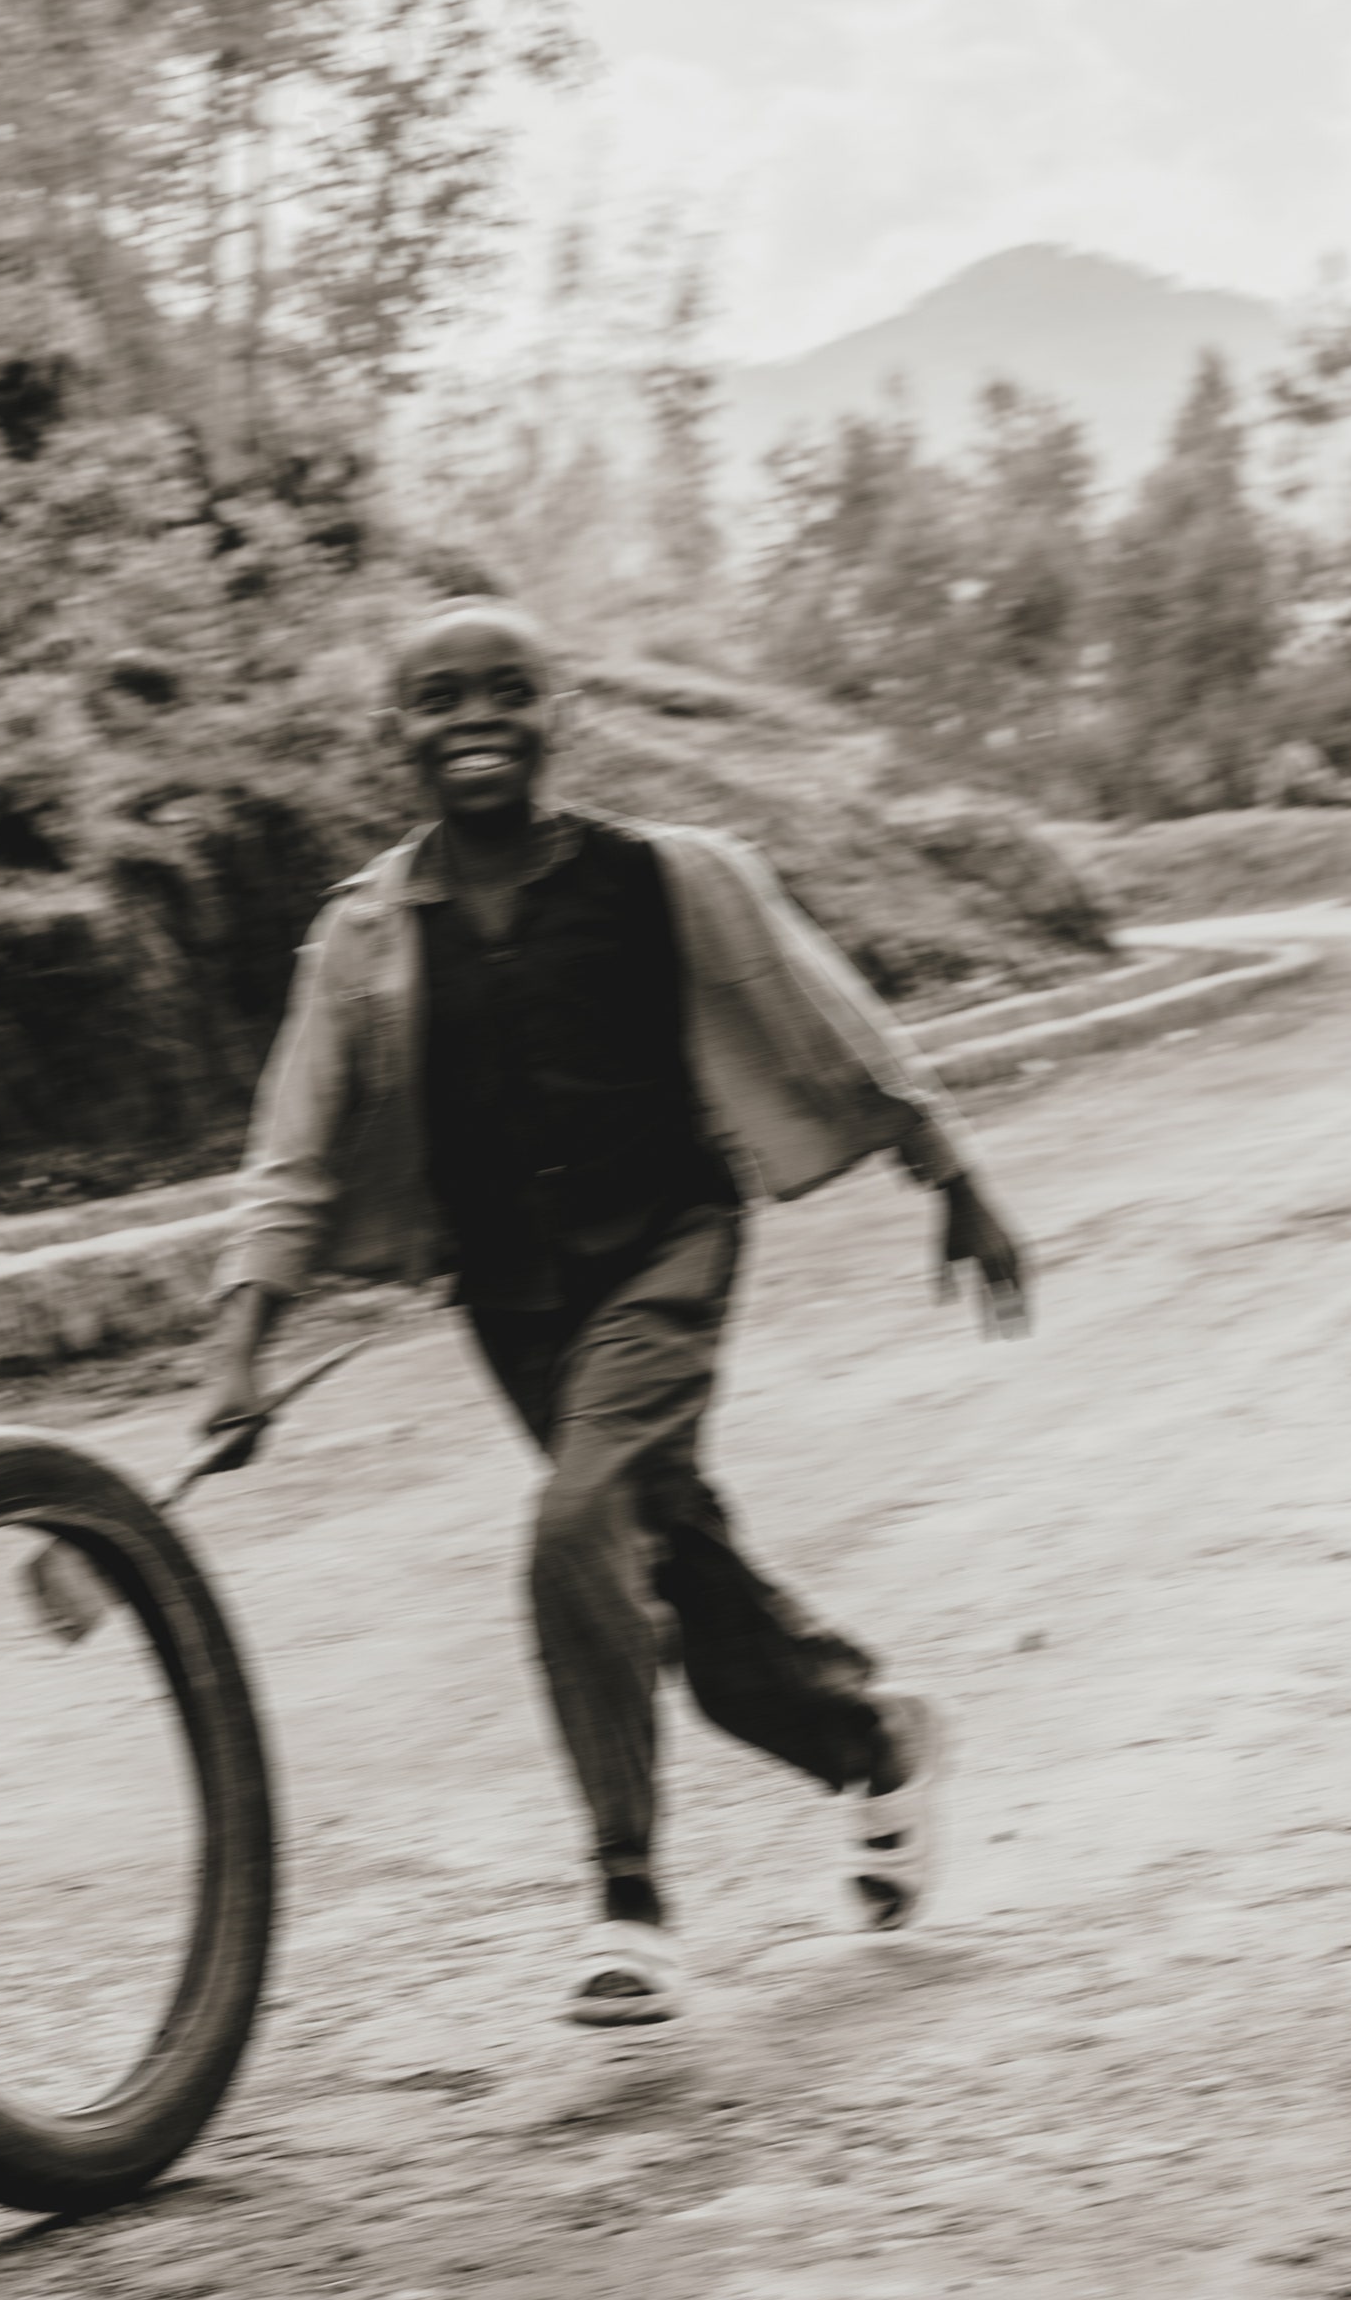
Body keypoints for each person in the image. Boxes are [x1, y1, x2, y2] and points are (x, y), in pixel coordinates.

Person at [204, 596, 1027, 2026]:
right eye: (439, 695)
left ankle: (629, 1903)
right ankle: (877, 1738)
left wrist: (953, 1177)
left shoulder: (669, 877)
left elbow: (832, 1021)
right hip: (511, 1301)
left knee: (577, 1521)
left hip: (668, 1251)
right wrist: (239, 1353)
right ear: (392, 733)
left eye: (508, 689)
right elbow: (294, 1151)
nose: (475, 717)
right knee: (679, 1574)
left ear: (559, 715)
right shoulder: (362, 939)